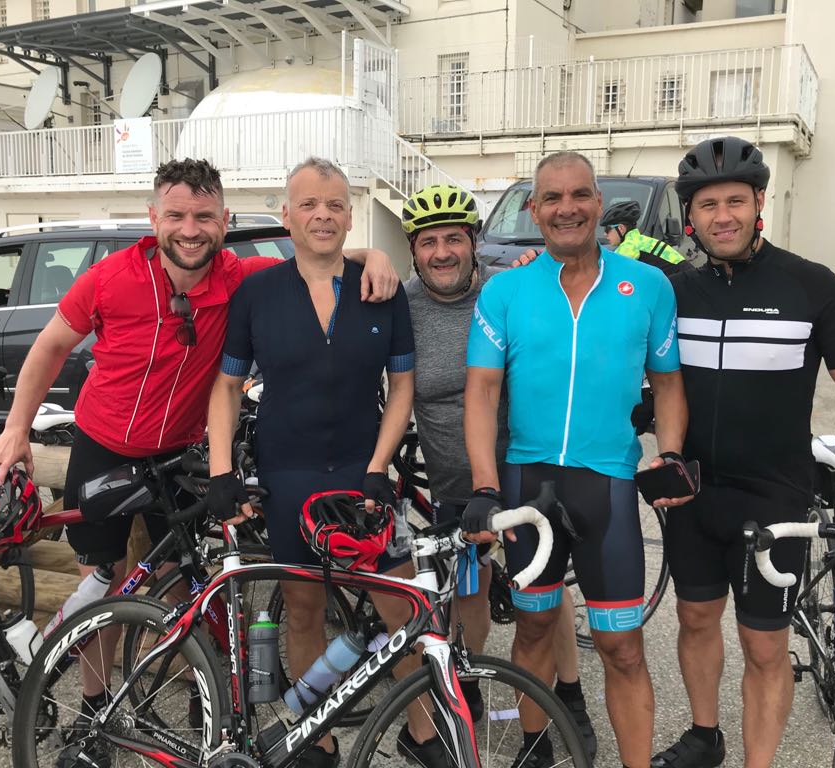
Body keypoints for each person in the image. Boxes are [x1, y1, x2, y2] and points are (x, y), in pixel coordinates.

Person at [0, 158, 397, 759]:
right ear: (154, 218)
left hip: (179, 455)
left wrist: (373, 256)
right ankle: (94, 705)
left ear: (224, 220)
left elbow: (315, 252)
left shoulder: (239, 276)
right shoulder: (110, 277)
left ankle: (203, 692)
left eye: (203, 216)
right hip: (104, 446)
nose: (190, 229)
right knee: (104, 580)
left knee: (188, 579)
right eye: (176, 215)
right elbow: (49, 347)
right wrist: (17, 429)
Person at [651, 136, 835, 768]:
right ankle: (704, 736)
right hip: (693, 490)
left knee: (764, 644)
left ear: (759, 202)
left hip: (775, 495)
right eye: (708, 205)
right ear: (691, 215)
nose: (723, 217)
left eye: (735, 201)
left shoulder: (809, 284)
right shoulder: (672, 291)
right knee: (694, 618)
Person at [205, 157, 446, 768]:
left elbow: (403, 387)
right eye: (309, 204)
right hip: (288, 472)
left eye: (335, 205)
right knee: (304, 608)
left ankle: (422, 732)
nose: (322, 215)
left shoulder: (380, 289)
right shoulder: (257, 293)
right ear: (287, 216)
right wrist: (221, 471)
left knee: (400, 607)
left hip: (364, 471)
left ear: (349, 216)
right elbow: (228, 386)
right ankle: (319, 739)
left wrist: (379, 465)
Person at [463, 151, 692, 768]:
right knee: (533, 628)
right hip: (526, 484)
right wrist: (484, 485)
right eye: (553, 197)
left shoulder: (648, 286)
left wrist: (671, 453)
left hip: (607, 487)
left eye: (579, 195)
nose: (567, 208)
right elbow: (482, 392)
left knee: (623, 647)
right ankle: (535, 750)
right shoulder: (506, 290)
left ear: (598, 203)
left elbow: (669, 383)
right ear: (534, 209)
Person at [401, 182, 598, 758]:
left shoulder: (510, 288)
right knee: (469, 590)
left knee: (544, 589)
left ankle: (569, 695)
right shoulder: (401, 305)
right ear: (413, 251)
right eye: (428, 242)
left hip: (522, 471)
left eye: (454, 239)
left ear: (474, 242)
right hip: (453, 482)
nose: (442, 252)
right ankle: (469, 681)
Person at [600, 200, 688, 274]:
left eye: (607, 229)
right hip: (684, 273)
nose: (605, 234)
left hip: (683, 279)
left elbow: (614, 271)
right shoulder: (639, 240)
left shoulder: (630, 245)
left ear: (621, 228)